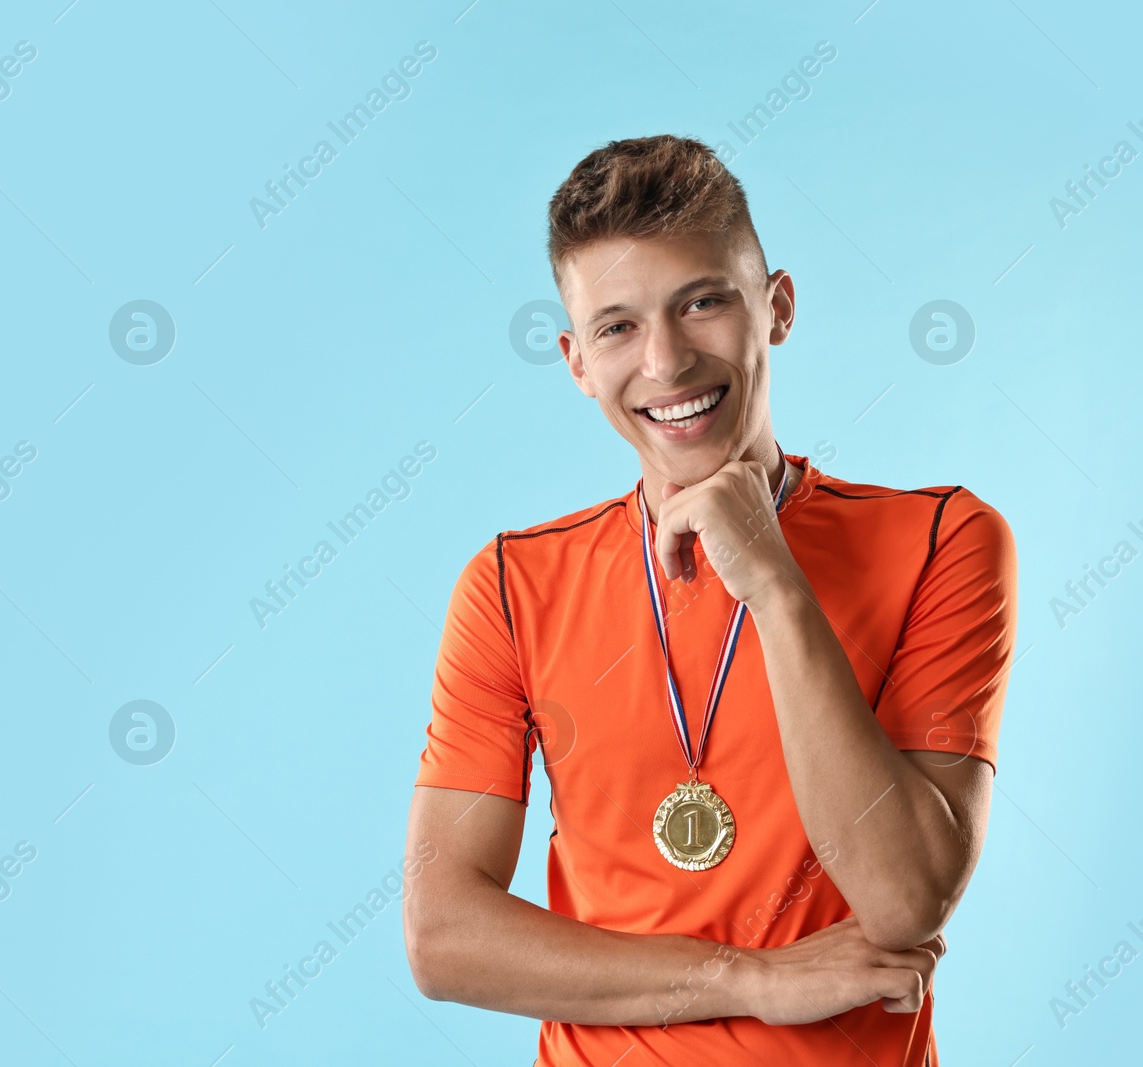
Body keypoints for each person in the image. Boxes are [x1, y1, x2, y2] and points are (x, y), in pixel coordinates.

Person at [402, 134, 1017, 1066]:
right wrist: (750, 980)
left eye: (702, 301)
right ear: (576, 360)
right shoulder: (509, 586)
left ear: (777, 308)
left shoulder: (944, 540)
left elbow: (906, 899)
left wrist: (771, 577)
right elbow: (444, 936)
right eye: (617, 326)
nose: (667, 361)